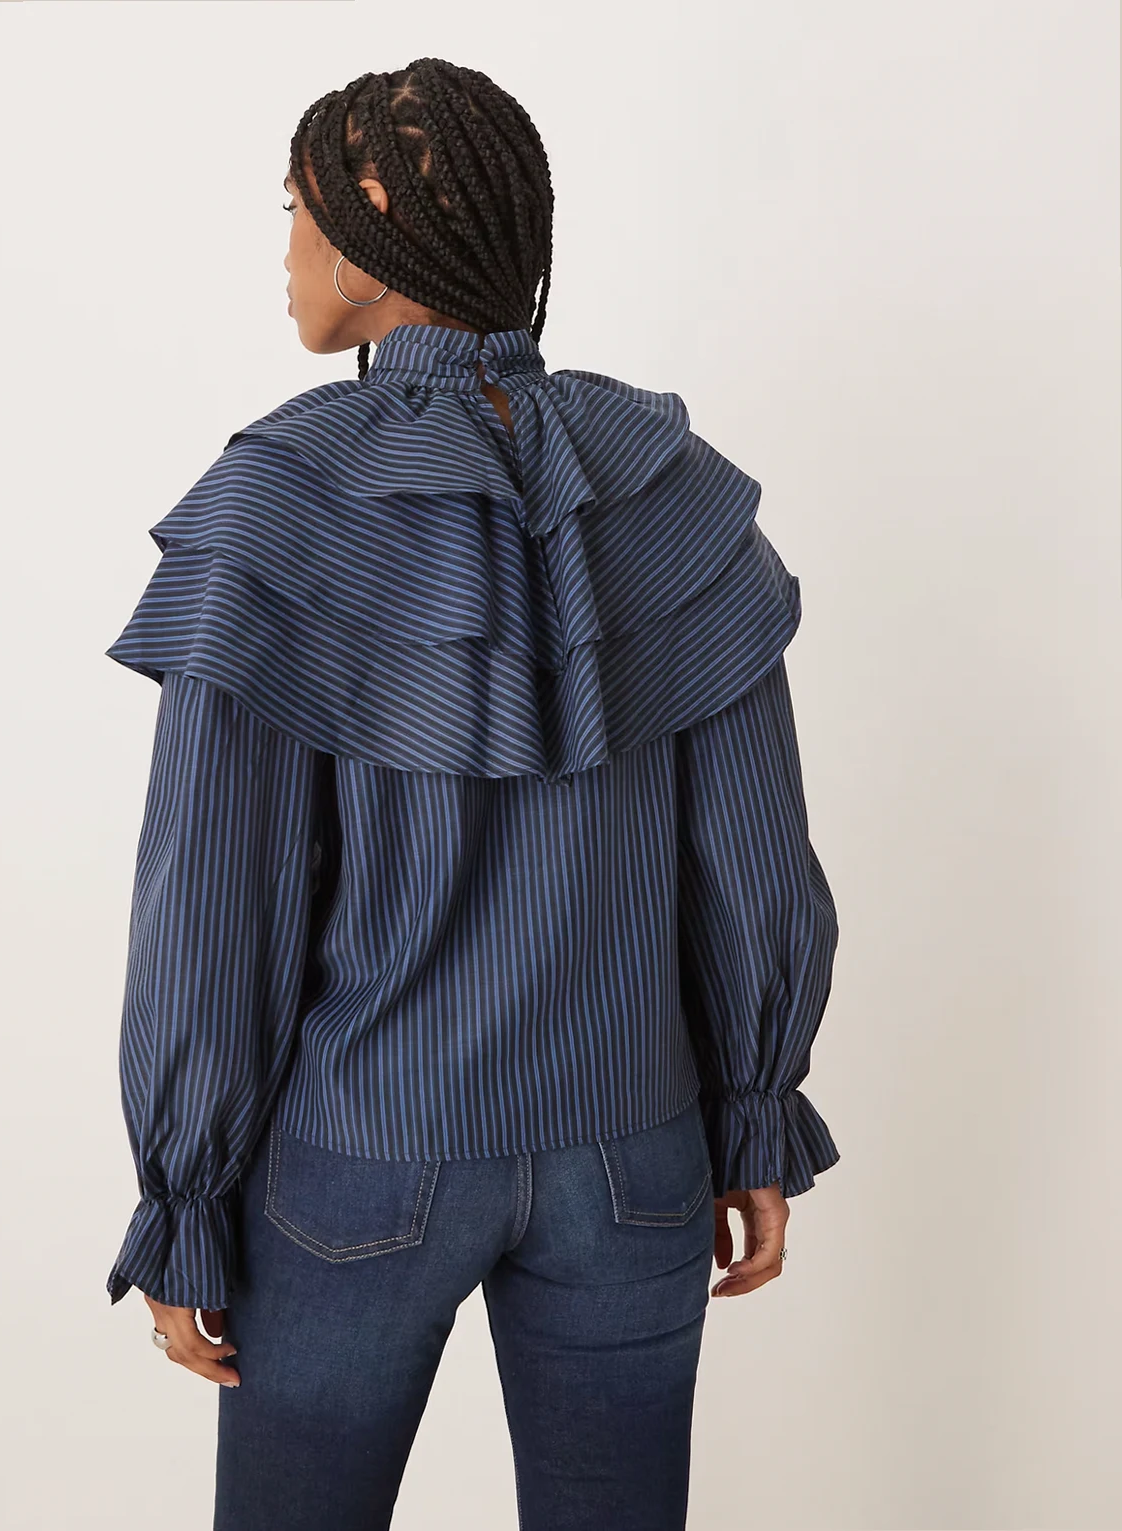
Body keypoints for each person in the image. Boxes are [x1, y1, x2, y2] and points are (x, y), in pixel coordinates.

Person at [103, 56, 841, 1531]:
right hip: (636, 1154)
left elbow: (214, 900)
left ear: (371, 222)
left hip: (359, 1161)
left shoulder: (280, 501)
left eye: (296, 210)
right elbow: (755, 858)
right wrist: (754, 1111)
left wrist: (184, 1196)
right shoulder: (670, 486)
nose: (286, 249)